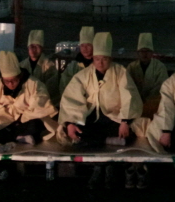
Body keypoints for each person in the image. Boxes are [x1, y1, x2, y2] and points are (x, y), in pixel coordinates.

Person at [58, 32, 143, 190]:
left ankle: (108, 166)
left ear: (110, 59)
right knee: (77, 135)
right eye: (97, 59)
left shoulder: (120, 72)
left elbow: (129, 95)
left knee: (127, 134)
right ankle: (100, 164)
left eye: (104, 59)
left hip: (114, 118)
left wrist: (125, 121)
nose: (100, 63)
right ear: (93, 59)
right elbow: (71, 98)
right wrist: (70, 122)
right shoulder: (83, 75)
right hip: (93, 118)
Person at [0, 51, 58, 189]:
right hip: (7, 125)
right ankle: (3, 156)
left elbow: (41, 106)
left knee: (36, 124)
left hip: (25, 123)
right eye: (7, 81)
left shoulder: (35, 84)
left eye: (14, 80)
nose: (11, 84)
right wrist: (10, 116)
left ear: (20, 76)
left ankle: (11, 139)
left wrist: (20, 116)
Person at [126, 33, 168, 119]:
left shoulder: (160, 66)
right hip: (135, 102)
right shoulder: (131, 67)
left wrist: (148, 99)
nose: (145, 54)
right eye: (142, 51)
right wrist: (137, 98)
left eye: (147, 51)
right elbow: (128, 84)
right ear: (138, 53)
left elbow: (161, 85)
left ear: (152, 53)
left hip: (154, 103)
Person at [19, 30, 59, 107]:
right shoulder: (21, 65)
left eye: (37, 46)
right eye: (31, 46)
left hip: (43, 102)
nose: (33, 49)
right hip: (24, 101)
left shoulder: (49, 66)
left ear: (42, 48)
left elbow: (51, 88)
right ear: (28, 48)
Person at [59, 26, 94, 97]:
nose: (85, 48)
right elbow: (64, 85)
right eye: (82, 45)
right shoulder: (73, 66)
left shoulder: (98, 64)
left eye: (88, 45)